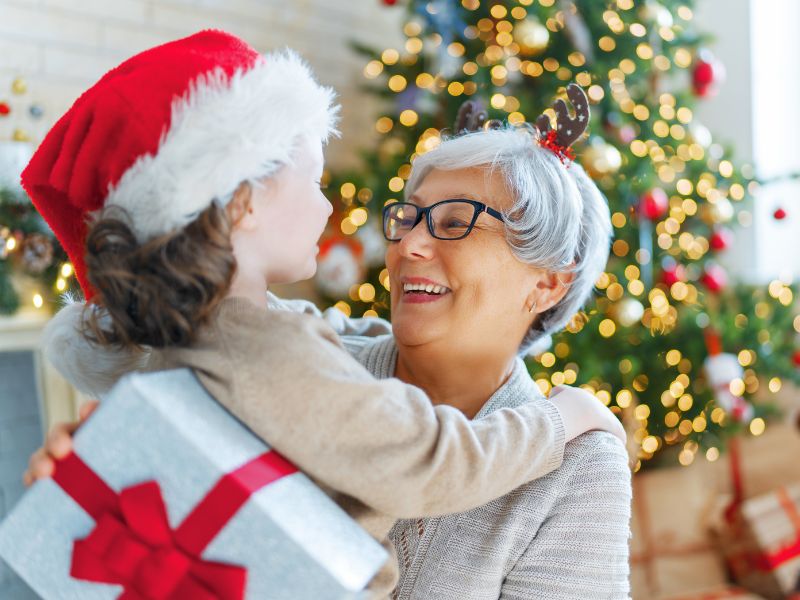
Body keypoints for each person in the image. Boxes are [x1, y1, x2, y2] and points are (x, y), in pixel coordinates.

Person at [20, 30, 624, 599]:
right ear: (240, 204)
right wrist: (109, 467)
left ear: (547, 283)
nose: (408, 244)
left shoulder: (579, 468)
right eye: (409, 216)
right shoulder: (296, 355)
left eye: (453, 222)